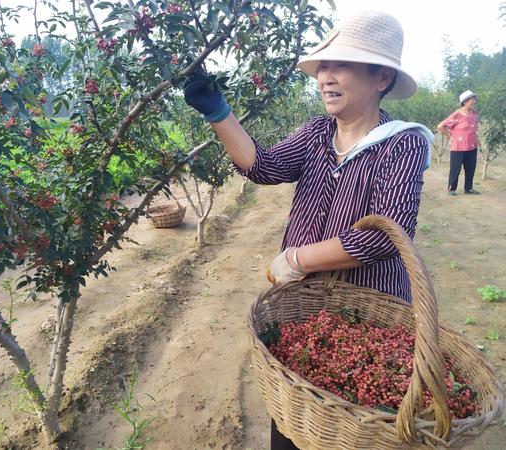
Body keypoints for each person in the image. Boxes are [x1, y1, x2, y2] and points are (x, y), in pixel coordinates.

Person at [184, 10, 434, 449]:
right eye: (322, 67)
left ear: (381, 79)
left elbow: (380, 237)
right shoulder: (318, 132)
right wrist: (218, 112)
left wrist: (296, 258)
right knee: (297, 417)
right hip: (304, 309)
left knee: (355, 417)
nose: (325, 77)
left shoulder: (403, 142)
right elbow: (263, 165)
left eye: (341, 66)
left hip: (368, 311)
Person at [437, 90, 480, 195]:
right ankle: (452, 189)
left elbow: (475, 127)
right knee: (455, 169)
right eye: (472, 99)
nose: (474, 101)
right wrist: (450, 137)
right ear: (465, 102)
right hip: (459, 147)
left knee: (470, 168)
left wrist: (477, 139)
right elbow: (440, 126)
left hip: (472, 146)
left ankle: (468, 188)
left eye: (474, 99)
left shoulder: (473, 113)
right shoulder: (457, 114)